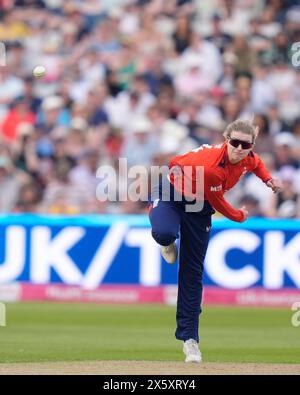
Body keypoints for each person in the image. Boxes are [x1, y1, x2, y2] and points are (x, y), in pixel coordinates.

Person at [148, 119, 282, 363]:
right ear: (226, 139)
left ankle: (190, 340)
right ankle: (167, 242)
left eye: (246, 145)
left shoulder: (249, 157)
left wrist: (268, 180)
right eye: (235, 143)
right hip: (172, 193)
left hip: (200, 208)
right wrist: (239, 216)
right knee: (163, 233)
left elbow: (257, 164)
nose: (240, 149)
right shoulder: (212, 167)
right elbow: (219, 202)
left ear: (251, 146)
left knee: (192, 271)